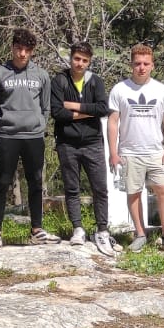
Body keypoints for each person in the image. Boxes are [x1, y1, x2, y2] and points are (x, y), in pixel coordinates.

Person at [107, 43, 164, 251]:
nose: (141, 67)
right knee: (133, 193)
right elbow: (113, 122)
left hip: (155, 151)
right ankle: (140, 234)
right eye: (137, 63)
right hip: (129, 152)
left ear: (152, 65)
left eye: (145, 63)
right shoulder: (120, 89)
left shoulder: (160, 90)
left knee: (163, 190)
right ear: (131, 65)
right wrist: (113, 152)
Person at [0, 28, 57, 247]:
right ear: (12, 48)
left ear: (32, 51)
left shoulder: (41, 75)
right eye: (19, 49)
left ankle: (36, 229)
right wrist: (1, 125)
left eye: (27, 50)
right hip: (8, 136)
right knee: (3, 182)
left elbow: (45, 106)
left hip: (33, 136)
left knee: (35, 181)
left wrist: (39, 124)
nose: (22, 54)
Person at [52, 40, 115, 256]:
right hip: (67, 143)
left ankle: (102, 230)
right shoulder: (59, 80)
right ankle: (77, 228)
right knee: (72, 188)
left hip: (92, 142)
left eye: (84, 60)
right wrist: (88, 112)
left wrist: (73, 106)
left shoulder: (95, 81)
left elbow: (103, 108)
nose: (80, 63)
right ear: (71, 58)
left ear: (89, 62)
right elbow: (57, 112)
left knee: (100, 188)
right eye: (77, 59)